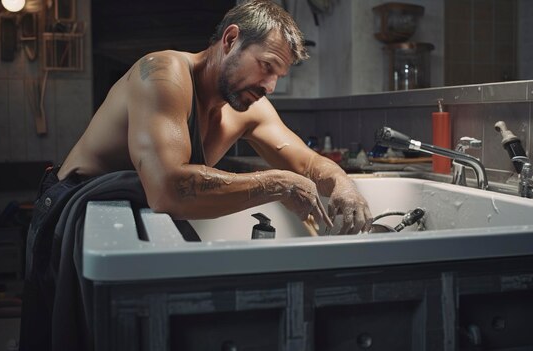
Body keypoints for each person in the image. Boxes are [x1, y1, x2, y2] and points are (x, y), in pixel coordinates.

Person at [20, 0, 372, 349]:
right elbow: (167, 189)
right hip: (72, 208)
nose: (270, 86)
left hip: (131, 217)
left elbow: (308, 163)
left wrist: (343, 184)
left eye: (278, 75)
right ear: (231, 39)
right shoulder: (164, 73)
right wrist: (275, 183)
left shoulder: (252, 108)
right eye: (266, 66)